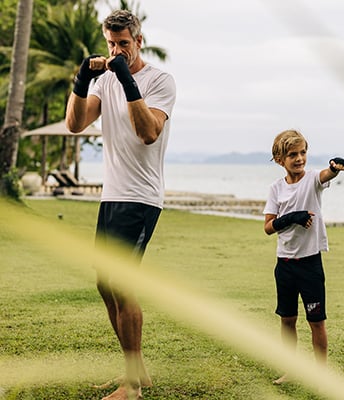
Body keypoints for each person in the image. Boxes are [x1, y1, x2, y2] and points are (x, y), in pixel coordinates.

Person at [65, 9, 176, 400]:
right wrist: (83, 80)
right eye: (111, 44)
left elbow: (148, 132)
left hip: (141, 196)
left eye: (123, 44)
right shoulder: (104, 82)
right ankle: (138, 371)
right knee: (105, 282)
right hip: (111, 195)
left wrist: (128, 80)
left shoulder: (160, 81)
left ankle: (132, 386)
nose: (116, 51)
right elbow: (75, 124)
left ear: (138, 41)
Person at [263, 129, 344, 384]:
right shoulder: (276, 189)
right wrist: (291, 218)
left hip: (310, 264)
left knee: (316, 321)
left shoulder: (312, 180)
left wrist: (334, 168)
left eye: (302, 153)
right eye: (293, 155)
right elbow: (268, 227)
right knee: (287, 321)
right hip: (285, 265)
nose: (299, 158)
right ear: (280, 159)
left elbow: (325, 175)